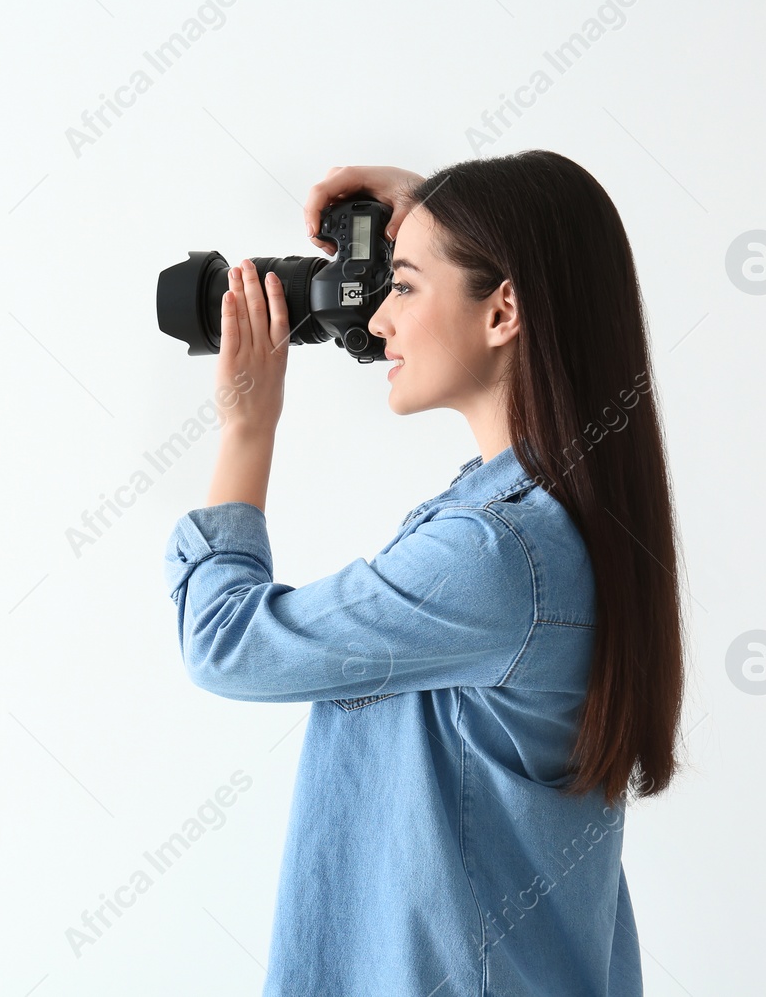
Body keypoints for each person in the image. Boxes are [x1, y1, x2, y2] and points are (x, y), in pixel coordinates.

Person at [162, 154, 685, 996]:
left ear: (503, 308)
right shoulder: (567, 520)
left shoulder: (494, 554)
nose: (375, 324)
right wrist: (440, 215)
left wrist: (246, 428)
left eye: (401, 287)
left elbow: (224, 644)